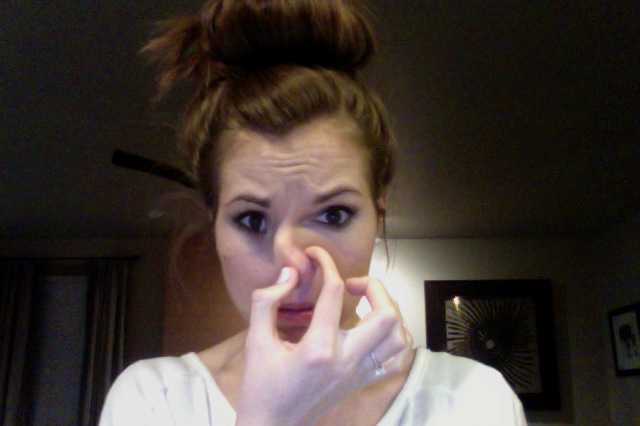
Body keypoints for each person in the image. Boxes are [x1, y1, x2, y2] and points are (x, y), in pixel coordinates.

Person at [100, 0, 527, 424]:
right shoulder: (154, 399)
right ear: (214, 222)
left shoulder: (473, 400)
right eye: (252, 220)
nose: (293, 264)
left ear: (378, 212)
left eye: (333, 216)